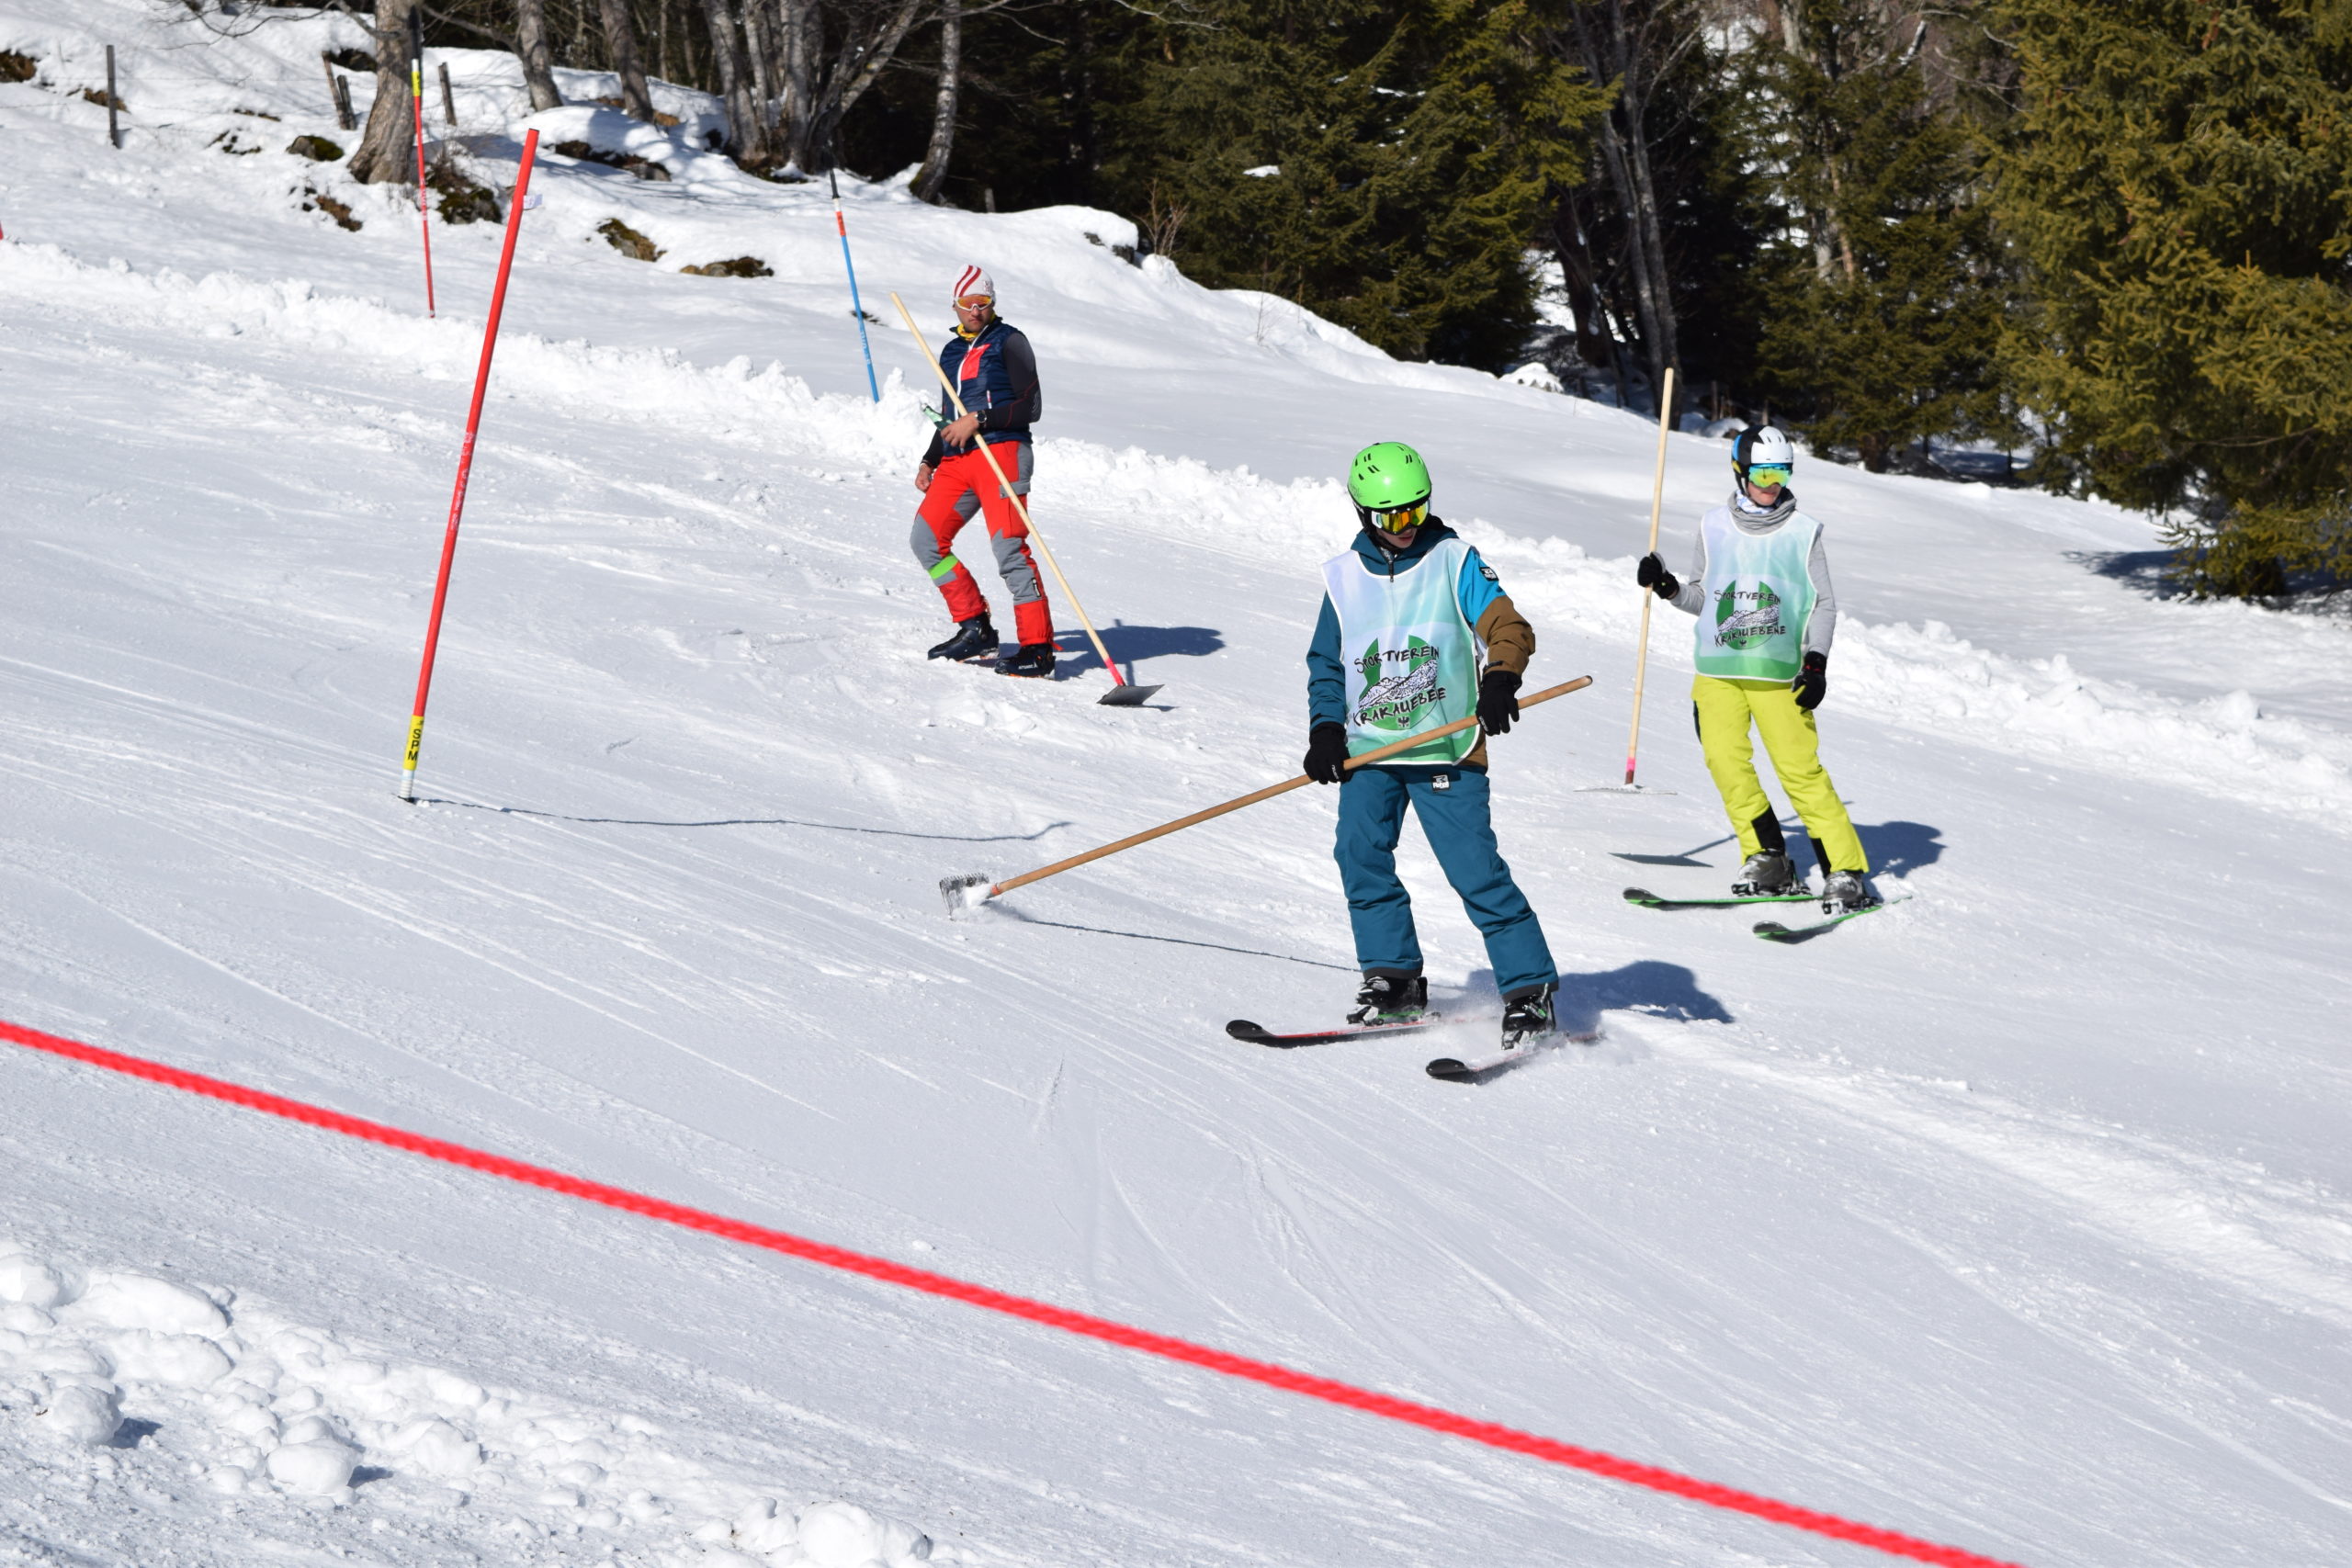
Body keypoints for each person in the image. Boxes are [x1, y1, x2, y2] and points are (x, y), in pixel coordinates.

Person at [1304, 441, 1561, 1052]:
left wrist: (1501, 677)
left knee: (1475, 870)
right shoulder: (1343, 579)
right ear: (1363, 512)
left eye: (1416, 511)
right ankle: (1394, 980)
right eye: (1392, 516)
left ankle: (1530, 991)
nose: (1405, 525)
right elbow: (1327, 663)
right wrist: (1325, 730)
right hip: (1370, 751)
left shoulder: (1454, 560)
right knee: (1359, 854)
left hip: (1447, 747)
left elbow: (1508, 626)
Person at [1636, 424, 1877, 910]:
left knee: (1799, 772)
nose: (1772, 484)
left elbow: (1824, 605)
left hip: (1779, 676)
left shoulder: (1802, 532)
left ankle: (1844, 871)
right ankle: (1767, 857)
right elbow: (1703, 598)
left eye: (1781, 473)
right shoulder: (1712, 526)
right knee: (1726, 765)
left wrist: (1816, 661)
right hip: (1718, 673)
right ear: (1740, 471)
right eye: (1764, 473)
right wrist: (1668, 588)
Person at [911, 265, 1055, 678]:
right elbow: (951, 415)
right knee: (926, 540)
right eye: (967, 302)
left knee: (1009, 548)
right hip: (959, 461)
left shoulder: (1010, 341)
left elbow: (1031, 407)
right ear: (954, 305)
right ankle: (975, 626)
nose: (975, 310)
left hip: (1003, 452)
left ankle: (1037, 648)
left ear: (993, 304)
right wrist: (930, 459)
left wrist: (980, 419)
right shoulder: (950, 352)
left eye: (983, 302)